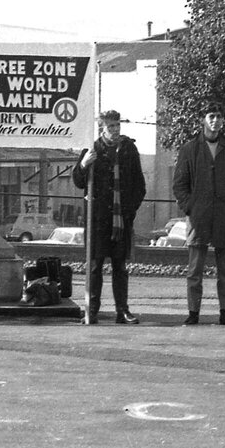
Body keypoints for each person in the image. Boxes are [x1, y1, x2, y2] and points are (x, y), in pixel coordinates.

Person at [173, 102, 225, 326]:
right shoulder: (189, 149)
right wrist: (190, 206)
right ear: (203, 120)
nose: (215, 121)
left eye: (219, 116)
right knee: (195, 269)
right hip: (199, 217)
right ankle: (193, 312)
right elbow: (179, 185)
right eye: (211, 116)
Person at [72, 110, 146, 324]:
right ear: (101, 128)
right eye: (110, 126)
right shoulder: (91, 149)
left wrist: (129, 211)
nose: (115, 130)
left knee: (120, 266)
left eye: (117, 125)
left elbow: (139, 185)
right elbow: (78, 181)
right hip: (98, 219)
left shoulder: (129, 149)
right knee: (95, 266)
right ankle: (92, 310)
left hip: (121, 219)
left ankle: (122, 310)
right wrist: (84, 164)